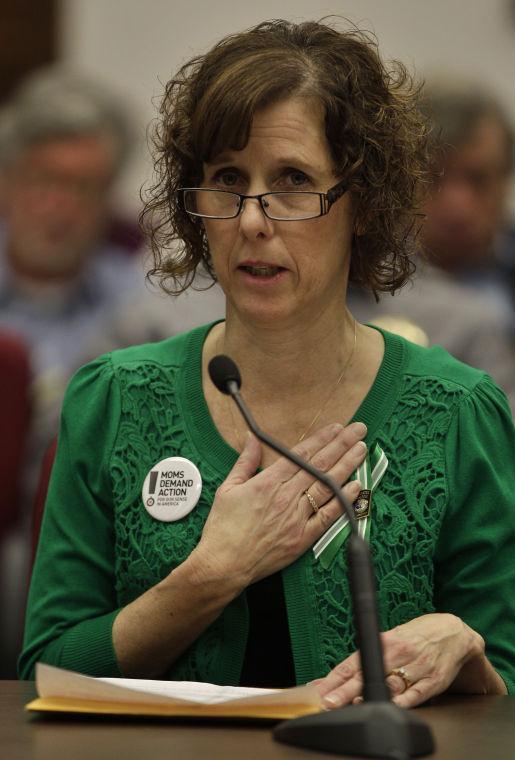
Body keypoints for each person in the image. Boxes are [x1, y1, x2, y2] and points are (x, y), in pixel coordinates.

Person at [20, 20, 515, 707]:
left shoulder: (457, 412)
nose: (252, 219)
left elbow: (505, 690)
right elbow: (42, 677)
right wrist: (211, 575)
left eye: (292, 181)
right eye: (227, 179)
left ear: (363, 204)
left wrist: (462, 651)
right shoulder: (112, 400)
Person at [0, 66, 143, 499]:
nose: (58, 206)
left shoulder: (141, 310)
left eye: (81, 187)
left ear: (108, 198)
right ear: (7, 182)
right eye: (44, 179)